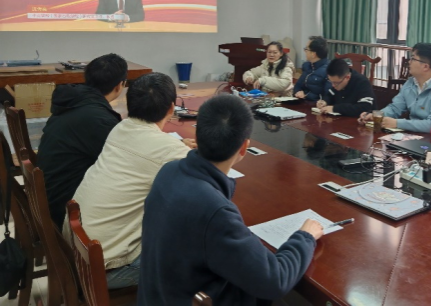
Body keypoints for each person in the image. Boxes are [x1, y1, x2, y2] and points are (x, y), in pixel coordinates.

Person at [137, 94, 323, 305]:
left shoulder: (168, 171)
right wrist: (305, 237)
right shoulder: (215, 211)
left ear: (197, 135)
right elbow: (275, 281)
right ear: (244, 148)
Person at [65, 73, 196, 289]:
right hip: (103, 269)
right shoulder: (170, 150)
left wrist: (178, 147)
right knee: (197, 257)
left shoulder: (120, 128)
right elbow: (203, 189)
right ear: (171, 108)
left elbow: (148, 154)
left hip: (74, 250)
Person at [37, 53, 128, 230]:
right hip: (65, 212)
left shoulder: (74, 101)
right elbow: (125, 164)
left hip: (50, 198)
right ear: (120, 85)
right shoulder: (98, 119)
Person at [359, 43, 431, 133]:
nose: (409, 62)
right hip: (411, 134)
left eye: (413, 59)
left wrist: (397, 123)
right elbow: (395, 108)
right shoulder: (411, 83)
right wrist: (376, 116)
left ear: (425, 66)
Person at [293, 36, 331, 101]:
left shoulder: (329, 70)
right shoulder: (307, 66)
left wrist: (306, 95)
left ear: (313, 54)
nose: (305, 51)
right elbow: (297, 86)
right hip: (303, 102)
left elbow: (327, 96)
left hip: (316, 104)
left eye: (306, 49)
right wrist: (298, 92)